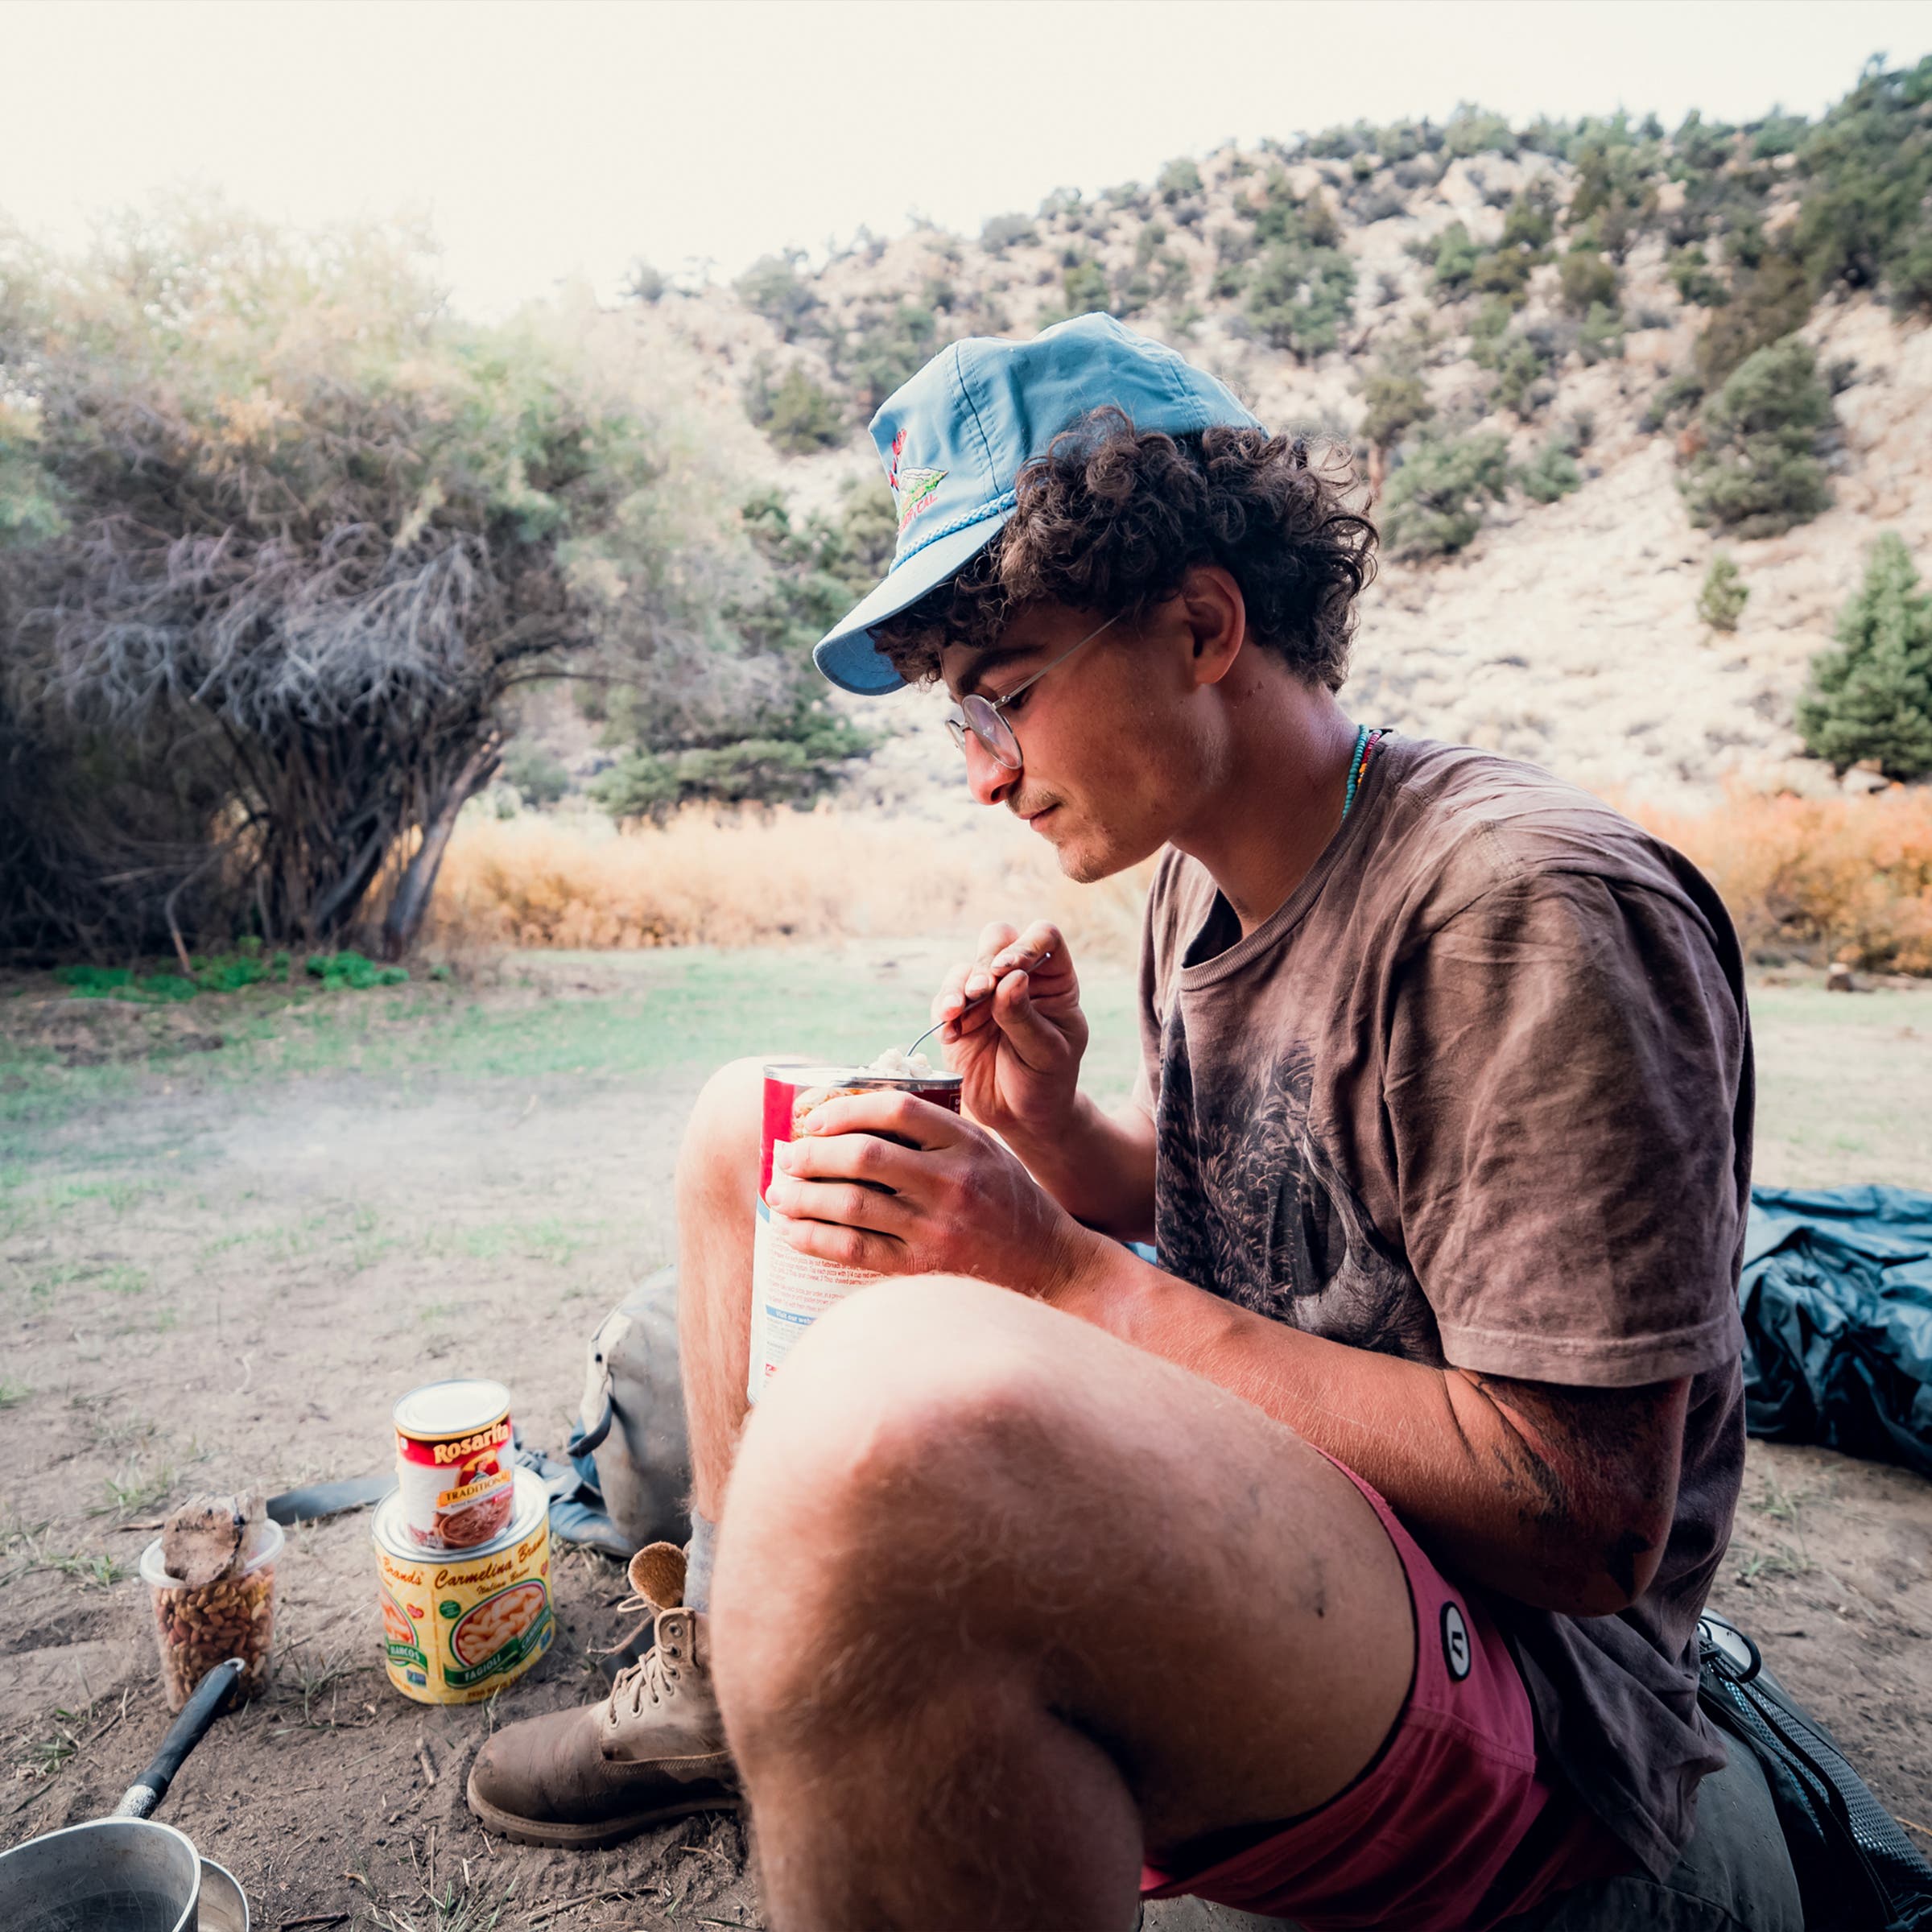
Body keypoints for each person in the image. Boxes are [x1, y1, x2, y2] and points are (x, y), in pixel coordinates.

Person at [467, 314, 1753, 1932]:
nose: (984, 774)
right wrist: (1057, 1129)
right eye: (960, 716)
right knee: (754, 1132)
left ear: (1205, 623)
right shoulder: (1205, 885)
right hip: (1298, 1503)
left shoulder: (1519, 914)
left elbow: (1589, 1523)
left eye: (1002, 694)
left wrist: (1068, 1278)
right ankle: (733, 1665)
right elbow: (1284, 1200)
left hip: (1529, 1677)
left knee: (900, 1427)